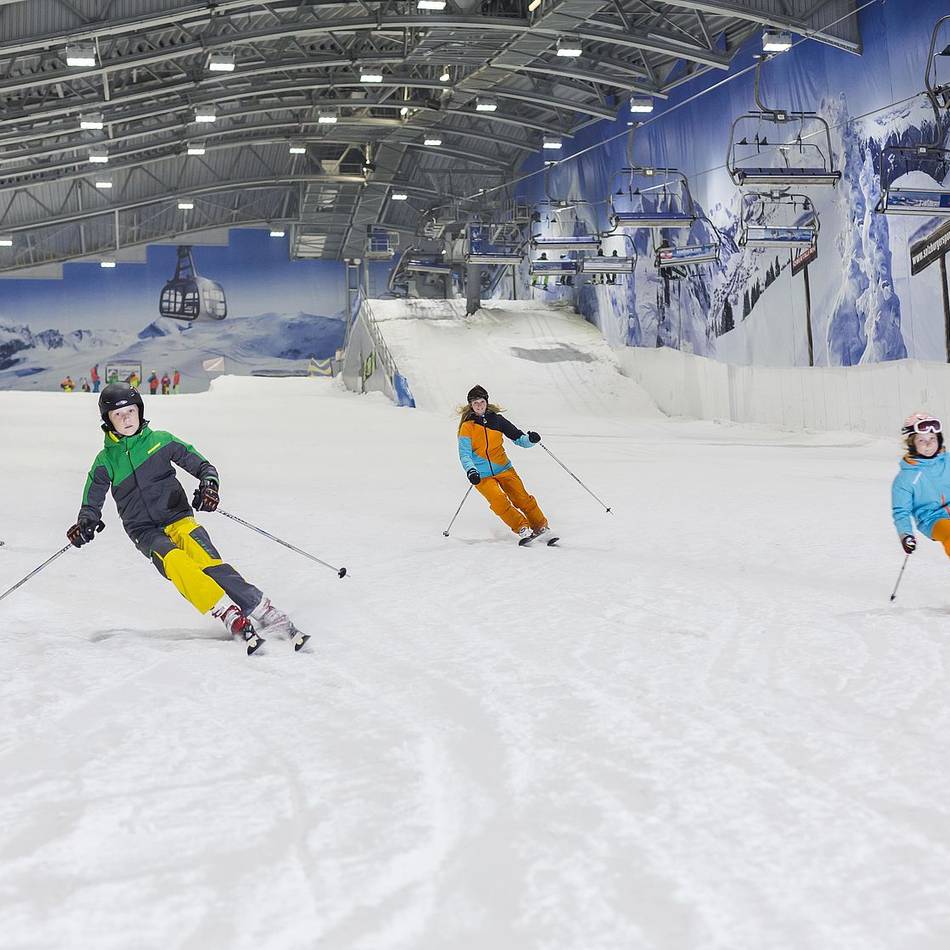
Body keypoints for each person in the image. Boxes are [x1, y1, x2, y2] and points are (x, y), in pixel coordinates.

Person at [66, 383, 306, 652]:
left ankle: (265, 612)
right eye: (118, 415)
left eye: (131, 411)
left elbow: (204, 467)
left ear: (140, 410)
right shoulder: (105, 462)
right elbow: (91, 500)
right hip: (145, 531)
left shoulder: (162, 441)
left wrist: (209, 486)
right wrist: (85, 522)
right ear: (107, 420)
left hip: (179, 518)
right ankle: (226, 612)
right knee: (176, 561)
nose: (126, 419)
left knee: (208, 562)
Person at [457, 384, 552, 544]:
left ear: (486, 402)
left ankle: (541, 526)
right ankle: (522, 527)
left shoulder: (498, 420)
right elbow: (464, 454)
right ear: (471, 406)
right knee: (499, 501)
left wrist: (530, 440)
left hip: (504, 468)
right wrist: (471, 471)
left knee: (522, 498)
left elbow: (518, 438)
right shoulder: (467, 427)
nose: (479, 405)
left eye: (481, 402)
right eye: (475, 403)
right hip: (481, 475)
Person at [891, 412, 950, 559]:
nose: (929, 444)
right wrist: (906, 535)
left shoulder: (947, 462)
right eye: (922, 440)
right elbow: (901, 511)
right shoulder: (905, 478)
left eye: (932, 439)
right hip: (933, 519)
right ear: (912, 444)